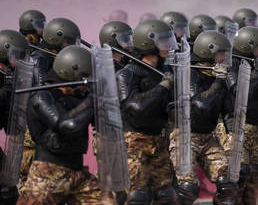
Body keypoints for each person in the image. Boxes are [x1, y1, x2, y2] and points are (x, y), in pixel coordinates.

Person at [19, 46, 115, 204]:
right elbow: (67, 126)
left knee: (107, 201)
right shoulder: (42, 97)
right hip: (48, 174)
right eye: (85, 79)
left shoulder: (78, 97)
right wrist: (92, 100)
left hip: (77, 172)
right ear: (70, 73)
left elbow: (103, 122)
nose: (86, 85)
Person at [169, 30, 237, 205]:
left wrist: (234, 134)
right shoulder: (189, 73)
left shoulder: (217, 76)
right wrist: (219, 81)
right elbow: (201, 105)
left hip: (207, 137)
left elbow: (227, 109)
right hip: (184, 137)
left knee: (227, 183)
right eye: (221, 53)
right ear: (209, 52)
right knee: (187, 189)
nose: (223, 58)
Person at [116, 19, 178, 205]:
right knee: (137, 196)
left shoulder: (166, 70)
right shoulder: (128, 74)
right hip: (134, 141)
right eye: (164, 42)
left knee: (166, 195)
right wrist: (163, 87)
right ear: (149, 44)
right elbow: (134, 108)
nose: (168, 46)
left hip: (160, 139)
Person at [215, 26, 258, 205]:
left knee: (255, 172)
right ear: (248, 46)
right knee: (238, 172)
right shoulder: (230, 65)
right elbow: (240, 92)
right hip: (234, 125)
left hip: (253, 125)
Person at [0, 29, 30, 205]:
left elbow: (9, 126)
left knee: (8, 192)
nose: (19, 61)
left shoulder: (7, 79)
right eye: (16, 55)